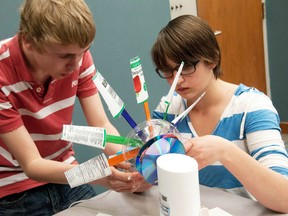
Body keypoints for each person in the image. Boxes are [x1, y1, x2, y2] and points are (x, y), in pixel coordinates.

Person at [0, 0, 146, 215]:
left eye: (83, 52)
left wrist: (134, 158)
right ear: (29, 41)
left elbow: (101, 127)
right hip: (15, 190)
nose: (76, 64)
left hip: (67, 173)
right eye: (65, 56)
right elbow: (32, 165)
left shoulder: (77, 56)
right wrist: (96, 174)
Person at [151, 14, 288, 213]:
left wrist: (224, 151)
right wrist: (143, 174)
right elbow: (155, 178)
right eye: (167, 71)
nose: (176, 80)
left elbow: (284, 198)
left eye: (186, 67)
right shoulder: (169, 109)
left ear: (212, 60)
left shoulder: (252, 106)